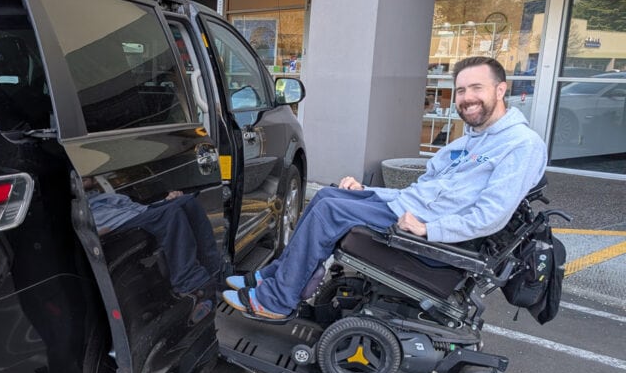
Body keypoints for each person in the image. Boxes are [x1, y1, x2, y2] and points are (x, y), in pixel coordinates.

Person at [223, 55, 548, 322]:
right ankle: (276, 275)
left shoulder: (521, 144)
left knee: (329, 210)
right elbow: (422, 192)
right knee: (327, 195)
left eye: (476, 88)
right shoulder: (469, 141)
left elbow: (491, 215)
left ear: (500, 89)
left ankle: (277, 300)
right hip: (410, 209)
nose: (466, 98)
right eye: (461, 90)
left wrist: (430, 229)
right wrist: (367, 190)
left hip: (434, 236)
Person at [84, 178, 221, 298]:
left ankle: (214, 269)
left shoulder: (98, 195)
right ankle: (189, 282)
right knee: (170, 214)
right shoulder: (77, 204)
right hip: (117, 224)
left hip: (136, 213)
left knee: (187, 201)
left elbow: (138, 208)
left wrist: (167, 201)